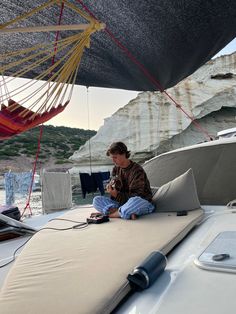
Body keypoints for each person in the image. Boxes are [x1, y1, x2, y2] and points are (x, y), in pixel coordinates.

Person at [92, 142, 155, 220]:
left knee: (135, 201)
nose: (113, 161)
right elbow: (115, 193)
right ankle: (124, 212)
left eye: (115, 157)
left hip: (142, 202)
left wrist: (117, 195)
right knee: (96, 200)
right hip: (122, 203)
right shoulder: (116, 169)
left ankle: (112, 214)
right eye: (112, 158)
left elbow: (137, 196)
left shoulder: (137, 170)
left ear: (124, 154)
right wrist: (111, 189)